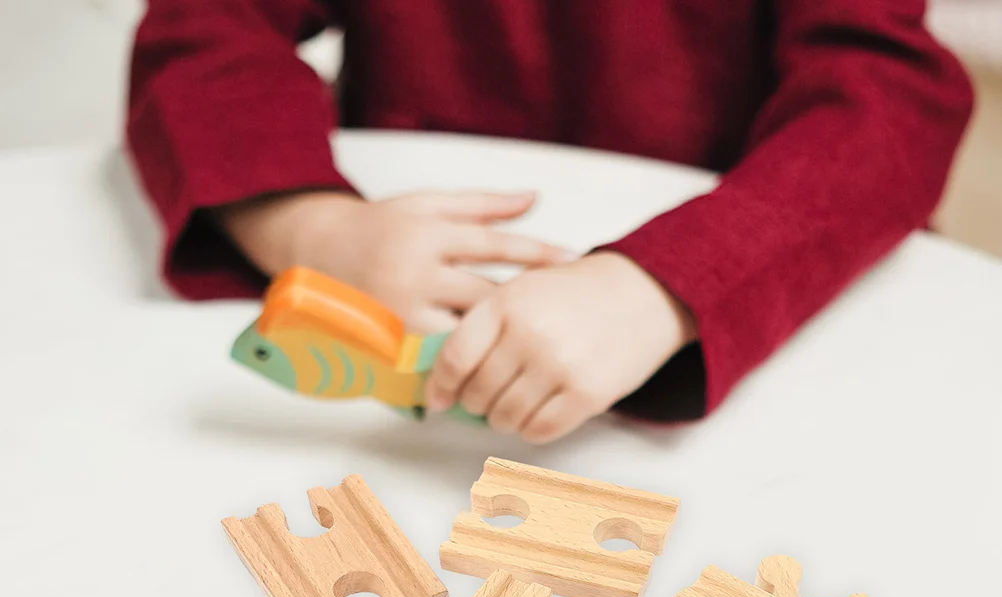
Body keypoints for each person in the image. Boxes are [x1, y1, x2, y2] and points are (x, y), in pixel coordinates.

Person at [127, 0, 972, 442]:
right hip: (410, 328)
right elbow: (204, 24)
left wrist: (669, 287)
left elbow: (891, 104)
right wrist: (310, 229)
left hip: (754, 339)